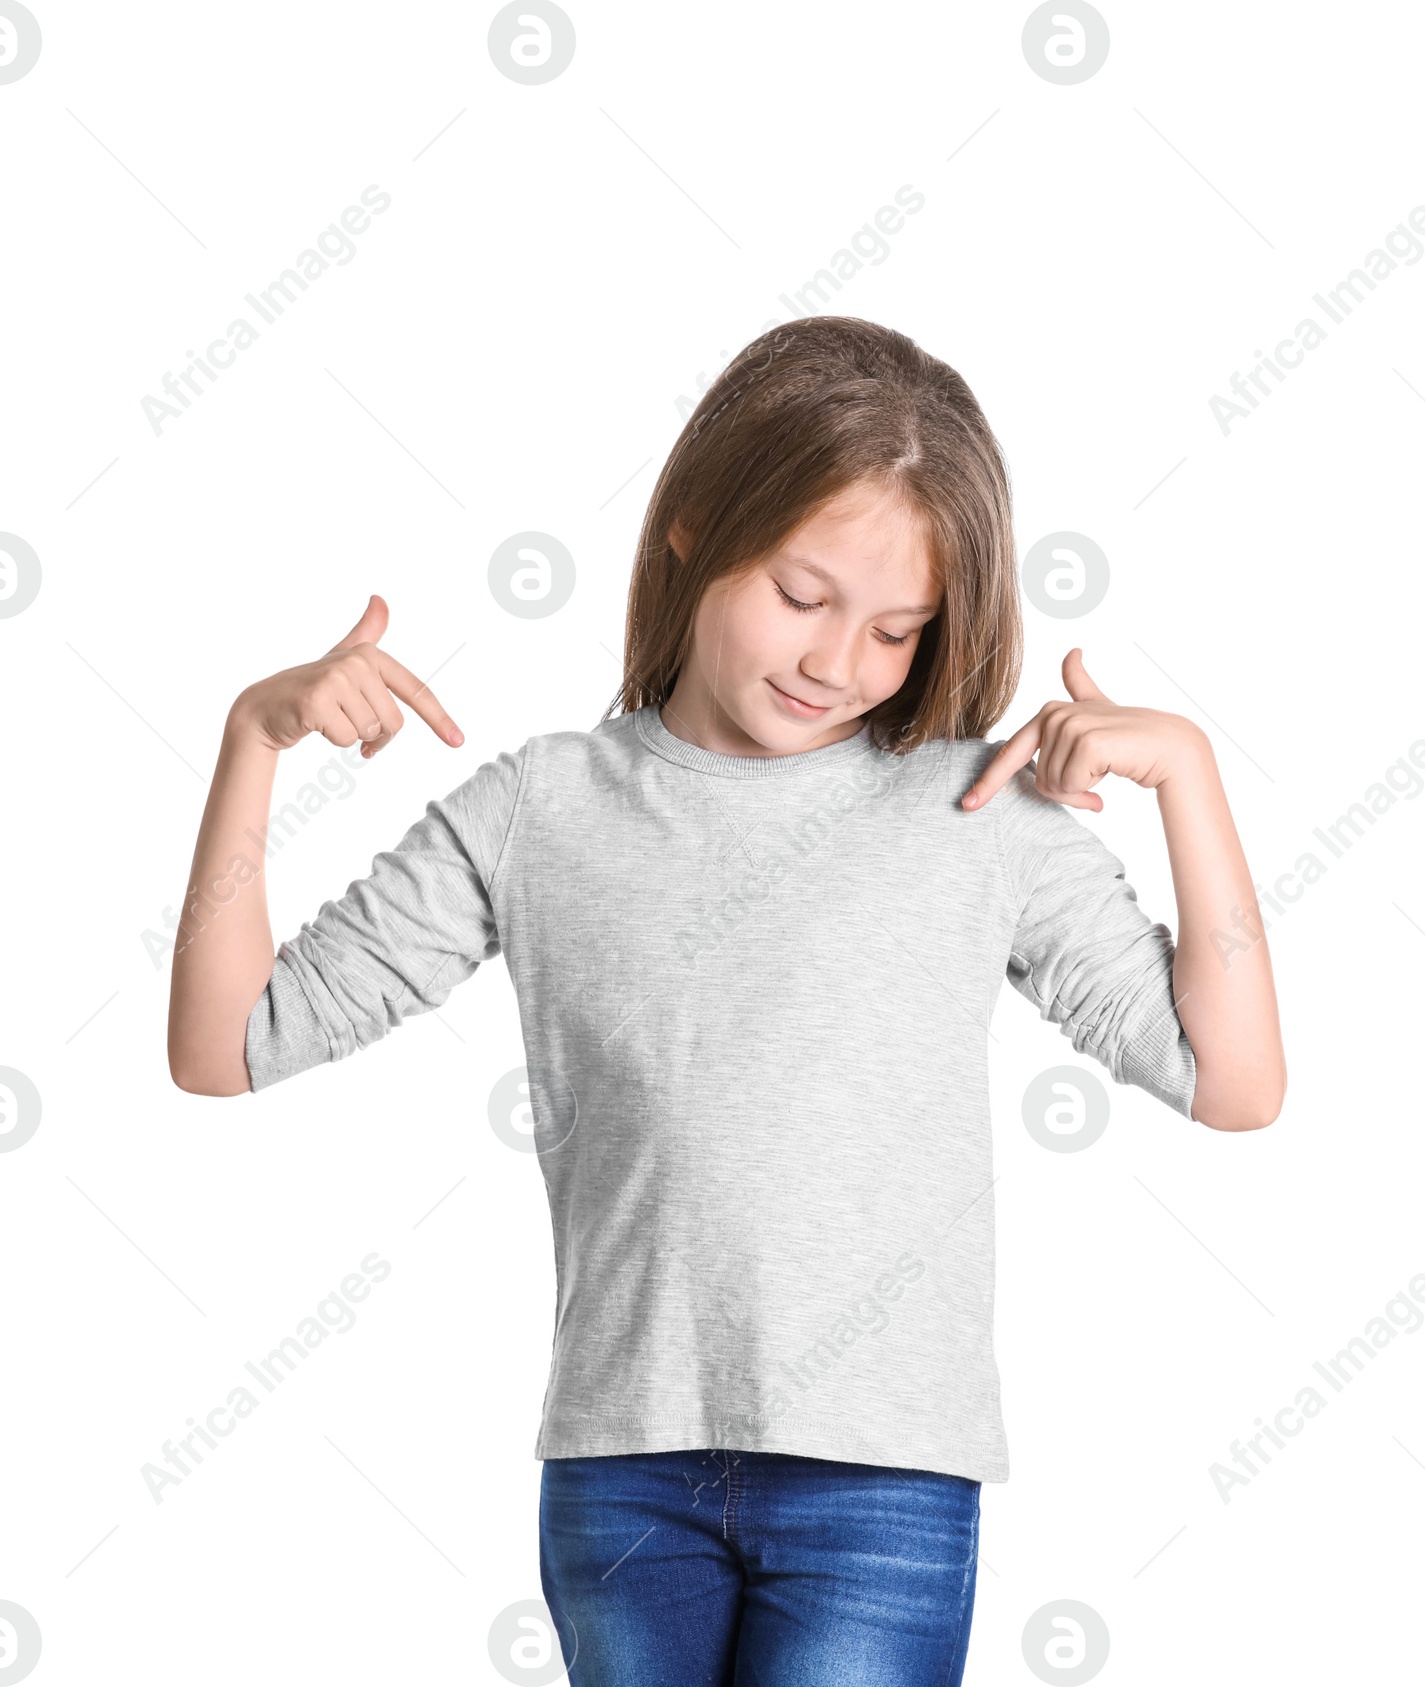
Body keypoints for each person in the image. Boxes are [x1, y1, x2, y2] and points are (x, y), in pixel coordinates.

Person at [167, 315, 1285, 1685]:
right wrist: (252, 746)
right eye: (803, 596)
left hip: (883, 1487)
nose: (836, 663)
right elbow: (228, 1045)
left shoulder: (974, 811)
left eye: (895, 630)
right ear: (696, 527)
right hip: (623, 1479)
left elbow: (1231, 1081)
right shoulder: (544, 811)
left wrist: (1194, 783)